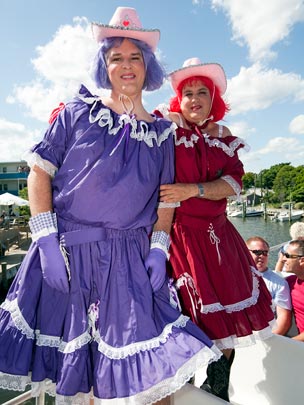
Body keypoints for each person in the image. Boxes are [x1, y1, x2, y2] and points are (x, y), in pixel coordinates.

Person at [0, 7, 222, 405]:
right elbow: (38, 174)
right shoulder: (76, 112)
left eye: (134, 57)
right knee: (82, 382)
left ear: (147, 65)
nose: (126, 66)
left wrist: (157, 249)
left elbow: (166, 201)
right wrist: (46, 241)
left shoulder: (161, 134)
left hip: (129, 263)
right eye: (115, 57)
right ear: (104, 65)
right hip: (69, 259)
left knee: (153, 383)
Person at [155, 57, 275, 402]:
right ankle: (183, 383)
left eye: (202, 92)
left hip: (219, 239)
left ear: (213, 100)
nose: (194, 99)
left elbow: (234, 183)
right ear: (179, 99)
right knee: (183, 314)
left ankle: (217, 385)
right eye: (187, 92)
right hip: (179, 238)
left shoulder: (225, 140)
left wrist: (193, 190)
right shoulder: (168, 131)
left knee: (226, 317)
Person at [246, 236, 292, 335]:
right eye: (257, 252)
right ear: (245, 252)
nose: (262, 256)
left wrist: (271, 341)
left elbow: (283, 318)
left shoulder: (279, 283)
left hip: (267, 335)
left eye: (265, 253)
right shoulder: (234, 278)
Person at [282, 239, 304, 341]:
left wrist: (289, 344)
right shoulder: (289, 281)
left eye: (288, 256)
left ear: (302, 260)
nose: (283, 259)